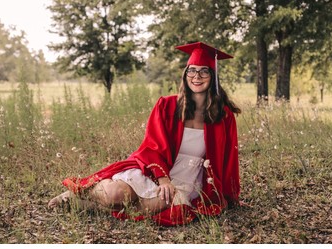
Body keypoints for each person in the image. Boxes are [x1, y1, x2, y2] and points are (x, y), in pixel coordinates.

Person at [48, 41, 241, 226]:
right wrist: (163, 179)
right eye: (192, 70)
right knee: (117, 195)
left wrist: (229, 196)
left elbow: (228, 158)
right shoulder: (167, 106)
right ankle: (82, 194)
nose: (196, 76)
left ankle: (87, 206)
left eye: (203, 71)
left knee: (157, 206)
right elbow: (153, 145)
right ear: (185, 74)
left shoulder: (223, 116)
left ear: (213, 75)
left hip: (187, 176)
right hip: (155, 167)